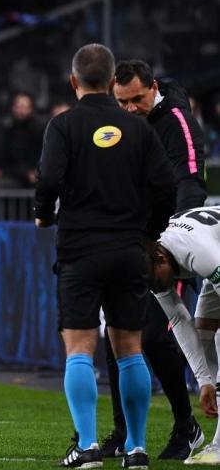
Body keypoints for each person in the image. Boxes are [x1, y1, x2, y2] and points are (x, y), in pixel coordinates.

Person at [34, 44, 175, 468]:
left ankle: (90, 446)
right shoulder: (138, 129)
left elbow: (49, 180)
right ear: (113, 82)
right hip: (129, 251)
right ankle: (136, 448)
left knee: (79, 347)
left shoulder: (63, 126)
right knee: (129, 348)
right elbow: (166, 188)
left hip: (80, 250)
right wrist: (148, 233)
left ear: (74, 81)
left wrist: (44, 215)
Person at [97, 60, 209, 460]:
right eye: (122, 101)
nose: (129, 109)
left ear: (154, 87)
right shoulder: (123, 120)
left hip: (169, 246)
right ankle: (124, 432)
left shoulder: (175, 120)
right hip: (132, 237)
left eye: (137, 99)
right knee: (115, 336)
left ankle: (186, 425)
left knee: (154, 335)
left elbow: (191, 182)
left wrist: (169, 242)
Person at [147, 206, 220, 464]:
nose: (156, 287)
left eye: (155, 279)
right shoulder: (153, 262)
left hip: (213, 250)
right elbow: (178, 318)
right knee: (204, 333)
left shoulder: (197, 252)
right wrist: (205, 382)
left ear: (161, 257)